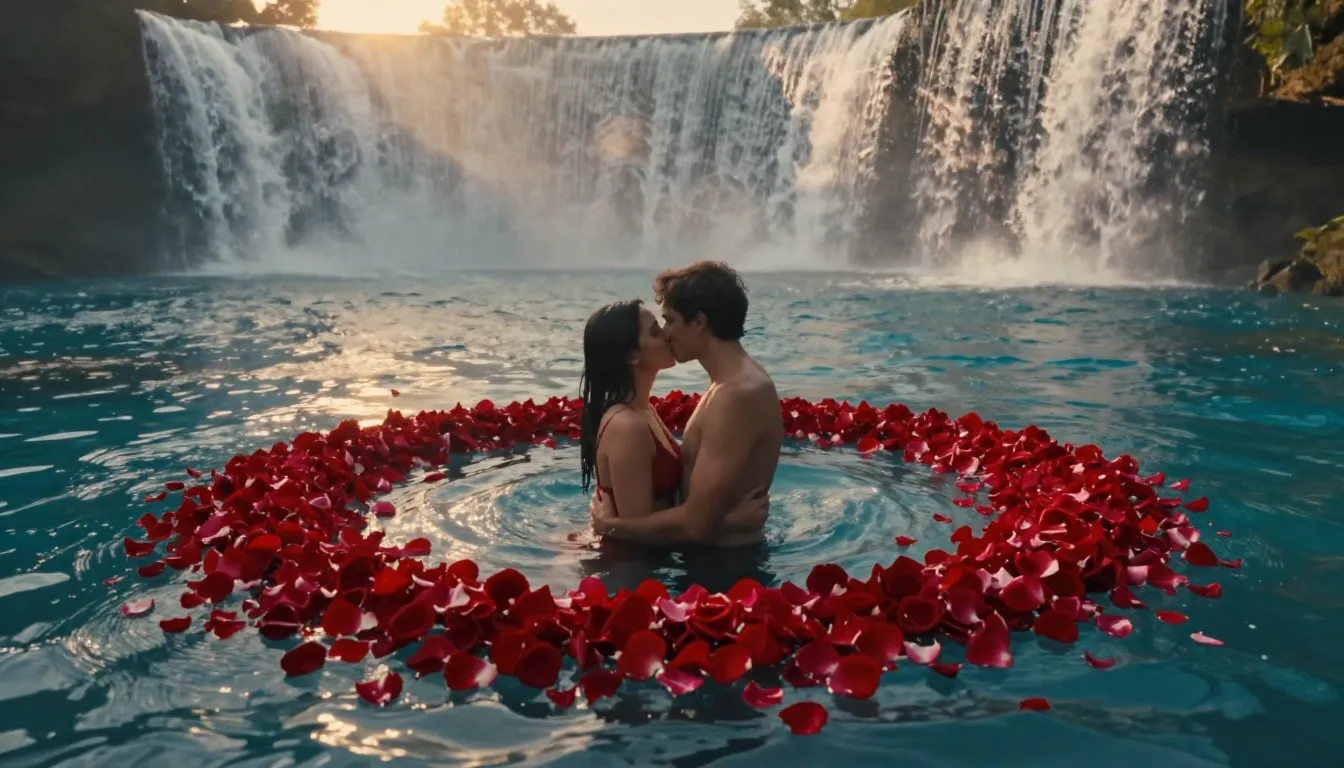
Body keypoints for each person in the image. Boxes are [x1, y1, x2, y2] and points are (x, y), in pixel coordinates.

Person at [590, 261, 783, 547]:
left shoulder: (739, 394)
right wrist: (729, 521)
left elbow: (694, 525)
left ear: (699, 322)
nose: (666, 332)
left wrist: (612, 526)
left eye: (669, 320)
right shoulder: (724, 386)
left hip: (724, 573)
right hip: (708, 560)